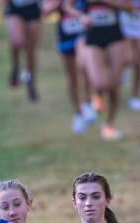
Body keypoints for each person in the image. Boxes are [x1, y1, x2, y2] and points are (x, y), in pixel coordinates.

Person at [67, 0, 139, 140]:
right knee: (99, 83)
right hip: (92, 36)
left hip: (115, 36)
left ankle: (109, 125)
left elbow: (130, 7)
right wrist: (81, 16)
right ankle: (96, 98)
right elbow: (67, 6)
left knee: (114, 85)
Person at [44, 0, 98, 133]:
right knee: (72, 75)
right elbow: (46, 11)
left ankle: (87, 103)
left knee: (85, 68)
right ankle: (78, 113)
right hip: (66, 34)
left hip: (84, 33)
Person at [3, 0, 44, 101]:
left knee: (31, 52)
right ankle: (16, 65)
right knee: (17, 42)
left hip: (33, 7)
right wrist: (3, 7)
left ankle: (31, 82)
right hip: (15, 7)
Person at [119, 0, 140, 111]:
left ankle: (135, 97)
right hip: (124, 24)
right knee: (127, 58)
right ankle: (124, 70)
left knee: (139, 63)